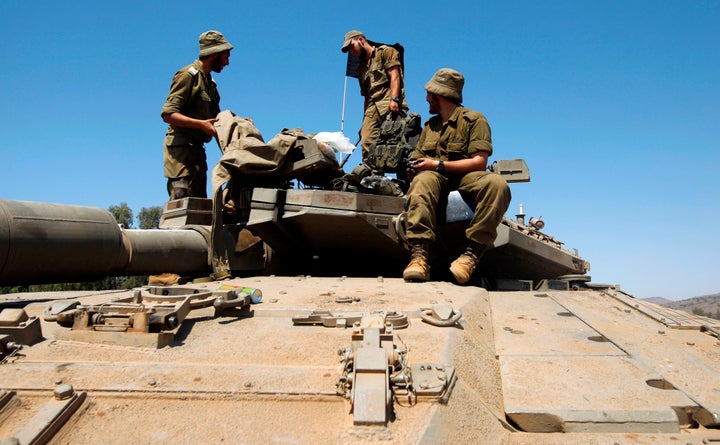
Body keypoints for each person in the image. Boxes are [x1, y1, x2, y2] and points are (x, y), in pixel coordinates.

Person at [402, 68, 511, 285]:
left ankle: (471, 255)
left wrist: (437, 164)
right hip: (435, 180)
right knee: (422, 180)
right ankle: (419, 256)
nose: (426, 98)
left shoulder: (474, 120)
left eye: (429, 94)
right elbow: (419, 159)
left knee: (497, 184)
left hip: (467, 177)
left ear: (439, 95)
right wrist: (414, 168)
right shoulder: (430, 127)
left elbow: (479, 162)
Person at [160, 30, 234, 200]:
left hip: (197, 153)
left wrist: (236, 122)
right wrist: (201, 125)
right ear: (214, 54)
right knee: (182, 201)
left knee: (199, 204)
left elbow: (216, 121)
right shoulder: (188, 75)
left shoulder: (210, 85)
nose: (227, 63)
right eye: (226, 56)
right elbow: (168, 114)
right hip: (180, 152)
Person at [341, 30, 408, 162]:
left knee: (398, 142)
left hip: (388, 100)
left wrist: (394, 100)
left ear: (361, 40)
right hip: (372, 107)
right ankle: (372, 177)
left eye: (351, 46)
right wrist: (364, 122)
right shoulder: (360, 69)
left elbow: (395, 75)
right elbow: (366, 97)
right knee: (366, 140)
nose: (351, 51)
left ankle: (403, 179)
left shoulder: (386, 52)